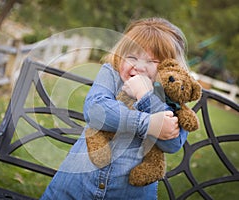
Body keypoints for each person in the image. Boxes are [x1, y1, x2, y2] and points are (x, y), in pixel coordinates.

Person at [40, 17, 189, 200]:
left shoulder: (175, 95)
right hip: (73, 186)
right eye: (132, 57)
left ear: (170, 67)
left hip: (127, 194)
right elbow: (95, 110)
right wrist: (149, 123)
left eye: (153, 61)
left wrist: (146, 96)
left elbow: (172, 143)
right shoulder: (111, 74)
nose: (139, 67)